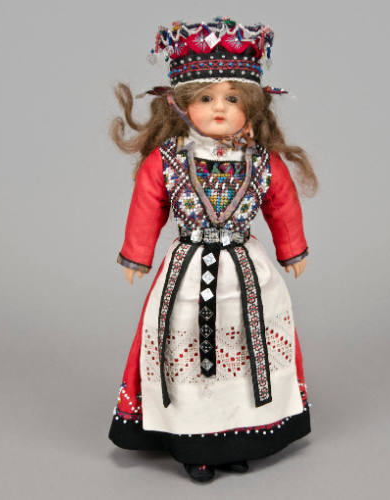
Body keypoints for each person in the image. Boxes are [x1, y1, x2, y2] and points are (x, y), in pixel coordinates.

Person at [108, 17, 318, 482]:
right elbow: (148, 204)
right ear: (181, 104)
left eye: (232, 98)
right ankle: (194, 444)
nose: (219, 108)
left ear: (253, 106)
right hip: (187, 271)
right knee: (186, 345)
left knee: (245, 345)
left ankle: (238, 436)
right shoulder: (167, 160)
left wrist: (293, 250)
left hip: (247, 271)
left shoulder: (262, 162)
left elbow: (282, 203)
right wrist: (137, 255)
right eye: (206, 98)